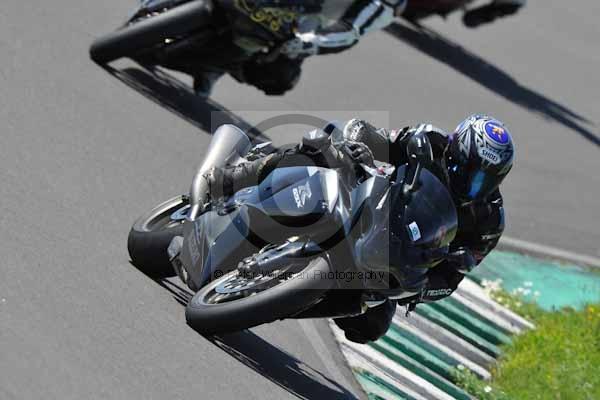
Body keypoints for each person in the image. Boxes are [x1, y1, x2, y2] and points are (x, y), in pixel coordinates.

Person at [204, 114, 514, 343]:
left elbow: (451, 278)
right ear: (454, 149)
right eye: (468, 169)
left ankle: (272, 303)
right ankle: (235, 177)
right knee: (316, 149)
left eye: (485, 179)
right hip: (367, 200)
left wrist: (423, 287)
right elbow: (369, 134)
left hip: (394, 256)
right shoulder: (427, 141)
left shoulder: (488, 223)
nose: (473, 183)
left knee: (370, 327)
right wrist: (357, 146)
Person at [194, 0, 408, 96]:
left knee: (279, 76)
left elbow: (351, 30)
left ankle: (216, 66)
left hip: (296, 21)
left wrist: (308, 43)